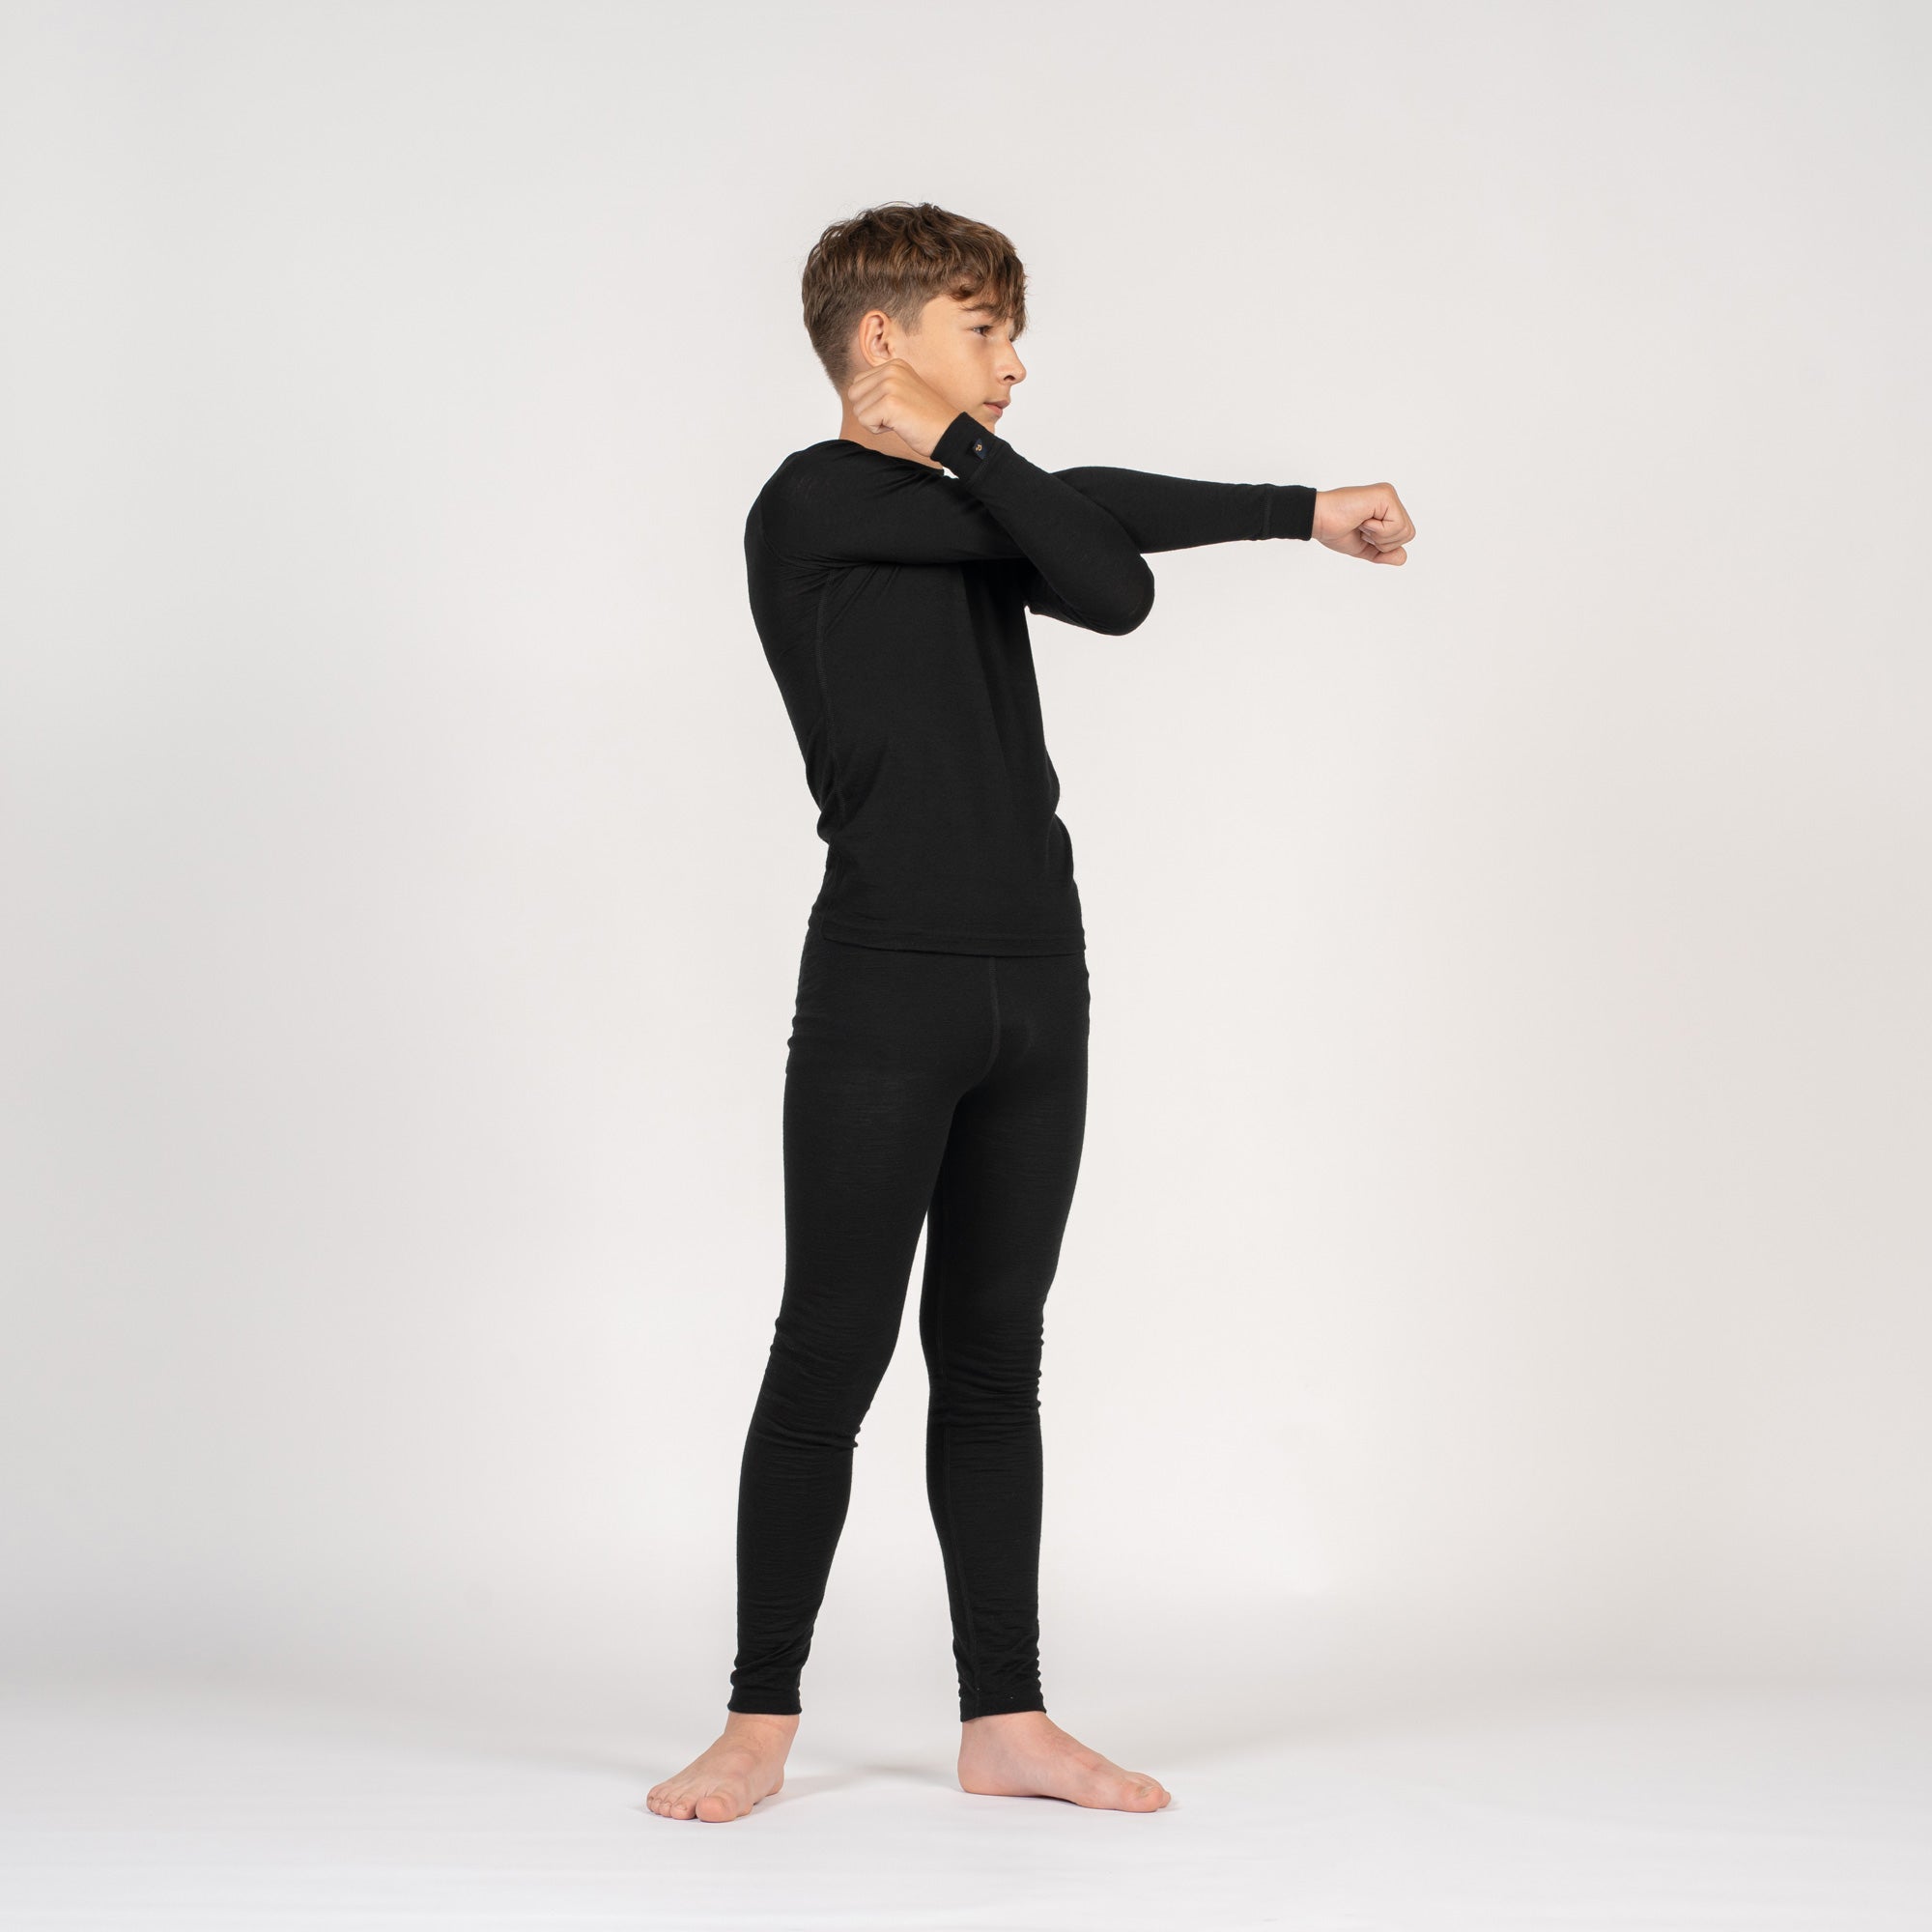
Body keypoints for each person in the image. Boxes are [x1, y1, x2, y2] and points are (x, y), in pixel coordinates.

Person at [648, 202, 1414, 1824]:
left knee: (996, 1360)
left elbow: (1089, 527)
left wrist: (1300, 513)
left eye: (1009, 331)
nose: (1012, 362)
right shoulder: (813, 502)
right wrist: (960, 449)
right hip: (885, 985)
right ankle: (757, 1721)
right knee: (831, 1353)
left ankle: (1005, 1719)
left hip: (1036, 979)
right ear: (882, 339)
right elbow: (1111, 579)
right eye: (982, 328)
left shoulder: (974, 498)